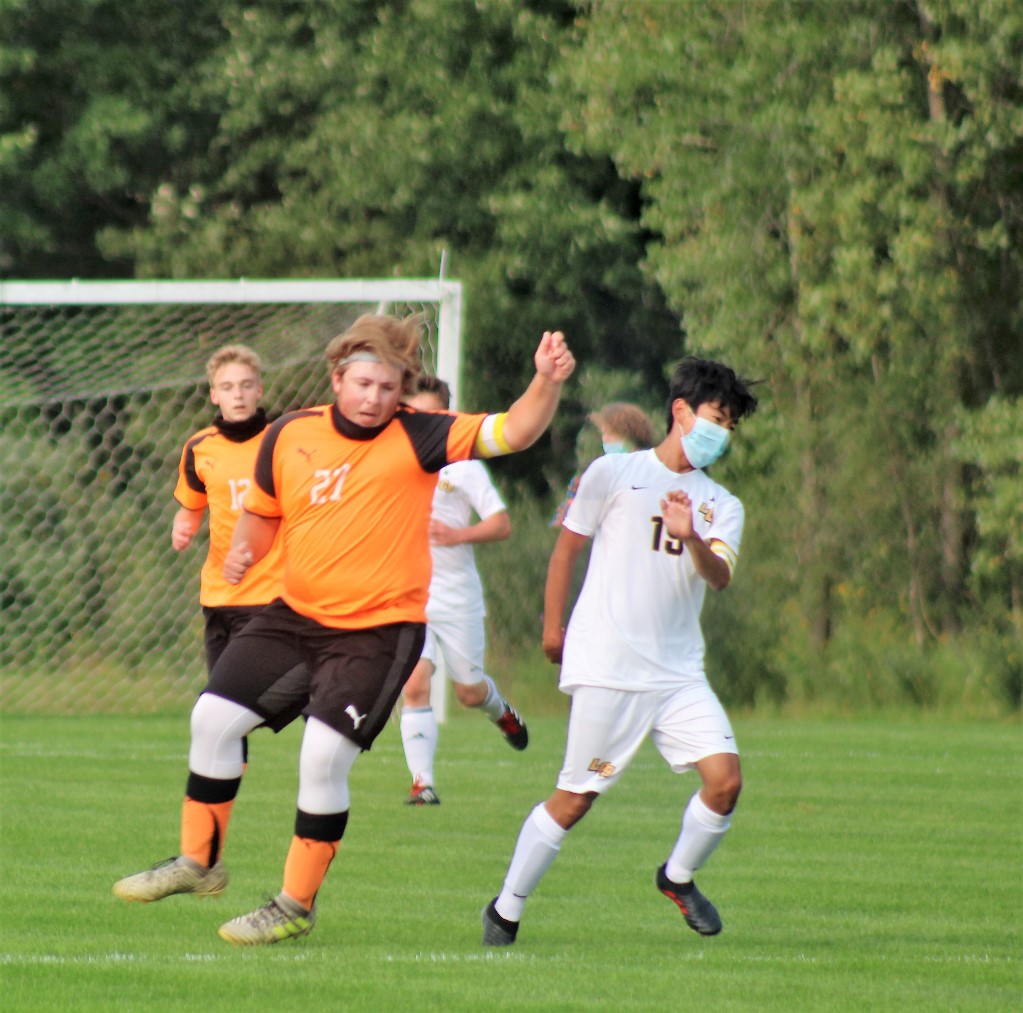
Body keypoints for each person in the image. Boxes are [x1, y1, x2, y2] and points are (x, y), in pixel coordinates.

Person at [113, 313, 576, 947]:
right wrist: (245, 550)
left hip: (378, 632)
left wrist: (545, 381)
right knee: (211, 721)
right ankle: (200, 862)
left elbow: (515, 430)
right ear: (337, 379)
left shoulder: (422, 434)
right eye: (363, 384)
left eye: (387, 388)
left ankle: (293, 905)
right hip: (294, 616)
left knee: (322, 757)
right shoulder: (290, 433)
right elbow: (262, 513)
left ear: (400, 390)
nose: (374, 398)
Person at [482, 355, 758, 947]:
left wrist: (691, 538)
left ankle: (677, 877)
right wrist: (552, 628)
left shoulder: (723, 505)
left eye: (730, 427)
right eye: (717, 419)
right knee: (574, 800)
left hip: (679, 674)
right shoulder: (613, 473)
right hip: (608, 666)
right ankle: (505, 909)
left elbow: (719, 578)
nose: (722, 434)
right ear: (681, 411)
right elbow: (566, 551)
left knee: (725, 781)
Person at [400, 375, 527, 807]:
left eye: (433, 414)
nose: (424, 422)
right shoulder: (395, 461)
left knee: (469, 693)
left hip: (456, 596)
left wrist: (457, 535)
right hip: (410, 594)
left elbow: (501, 523)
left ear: (449, 416)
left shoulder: (464, 466)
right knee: (415, 684)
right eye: (416, 414)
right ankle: (422, 783)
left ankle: (501, 711)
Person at [549, 402, 655, 527]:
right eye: (603, 433)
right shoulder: (595, 475)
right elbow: (566, 523)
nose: (605, 439)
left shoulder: (652, 475)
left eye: (610, 434)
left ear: (630, 434)